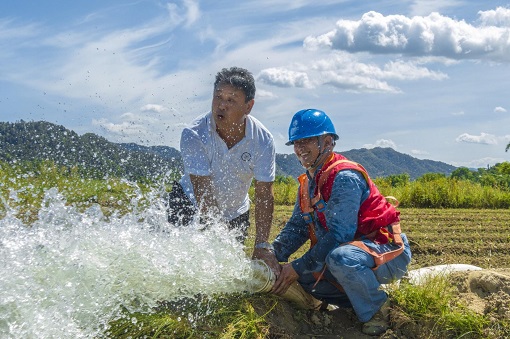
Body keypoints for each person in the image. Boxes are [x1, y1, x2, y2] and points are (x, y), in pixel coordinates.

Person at [267, 108, 412, 336]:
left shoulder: (344, 177)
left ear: (327, 142)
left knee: (339, 258)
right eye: (296, 143)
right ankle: (359, 303)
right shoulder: (308, 183)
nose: (299, 149)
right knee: (307, 278)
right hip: (356, 253)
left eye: (306, 141)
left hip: (387, 252)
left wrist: (294, 266)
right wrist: (272, 255)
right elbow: (298, 227)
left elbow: (340, 235)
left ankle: (379, 310)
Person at [167, 67, 277, 268]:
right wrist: (217, 235)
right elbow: (203, 190)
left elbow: (264, 193)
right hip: (188, 201)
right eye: (218, 97)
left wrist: (261, 244)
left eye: (231, 100)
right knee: (180, 262)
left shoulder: (262, 140)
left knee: (226, 269)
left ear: (248, 106)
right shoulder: (194, 133)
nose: (221, 106)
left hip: (236, 211)